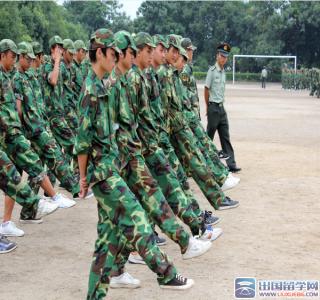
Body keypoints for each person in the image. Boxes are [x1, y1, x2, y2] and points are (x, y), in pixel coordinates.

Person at [74, 28, 194, 299]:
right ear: (101, 53)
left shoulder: (103, 85)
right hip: (103, 174)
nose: (115, 58)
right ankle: (166, 273)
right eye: (112, 54)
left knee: (107, 242)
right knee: (139, 220)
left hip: (110, 168)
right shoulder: (91, 90)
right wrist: (83, 178)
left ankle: (95, 296)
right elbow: (82, 141)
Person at [205, 42, 241, 173]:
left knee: (225, 136)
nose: (223, 58)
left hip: (221, 108)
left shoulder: (224, 72)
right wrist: (208, 106)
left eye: (225, 56)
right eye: (221, 55)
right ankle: (204, 162)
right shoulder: (212, 71)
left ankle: (231, 164)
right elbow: (206, 89)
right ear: (217, 56)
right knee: (208, 137)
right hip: (213, 108)